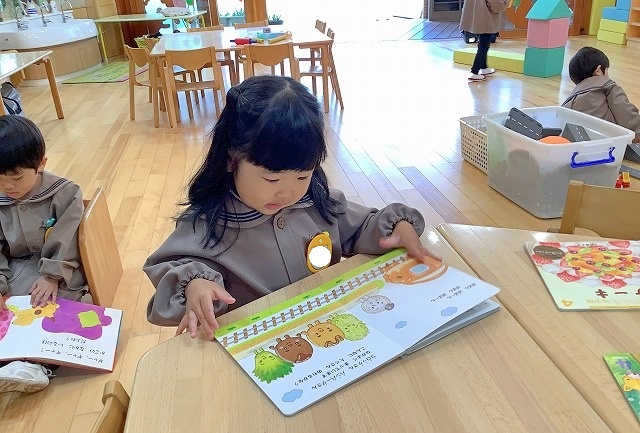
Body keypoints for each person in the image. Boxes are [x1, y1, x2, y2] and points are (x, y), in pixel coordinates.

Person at [144, 76, 438, 340]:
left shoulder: (316, 202)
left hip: (332, 332)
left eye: (302, 176)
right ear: (231, 159)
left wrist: (397, 228)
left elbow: (362, 227)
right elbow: (173, 269)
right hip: (261, 347)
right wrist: (194, 285)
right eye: (271, 179)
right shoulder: (206, 223)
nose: (287, 193)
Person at [0, 116, 88, 394]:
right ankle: (9, 362)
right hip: (14, 268)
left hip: (60, 268)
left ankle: (37, 366)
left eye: (16, 177)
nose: (8, 187)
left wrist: (51, 276)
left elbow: (67, 239)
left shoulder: (65, 193)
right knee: (10, 310)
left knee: (52, 308)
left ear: (41, 164)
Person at [562, 46, 640, 143]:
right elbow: (625, 112)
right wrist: (638, 131)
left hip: (581, 143)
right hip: (611, 142)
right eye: (607, 69)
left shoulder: (570, 100)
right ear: (598, 70)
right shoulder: (608, 86)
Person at [460, 0, 510, 82]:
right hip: (485, 16)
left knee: (483, 43)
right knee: (484, 45)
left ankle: (484, 68)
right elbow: (496, 5)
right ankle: (474, 72)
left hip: (475, 14)